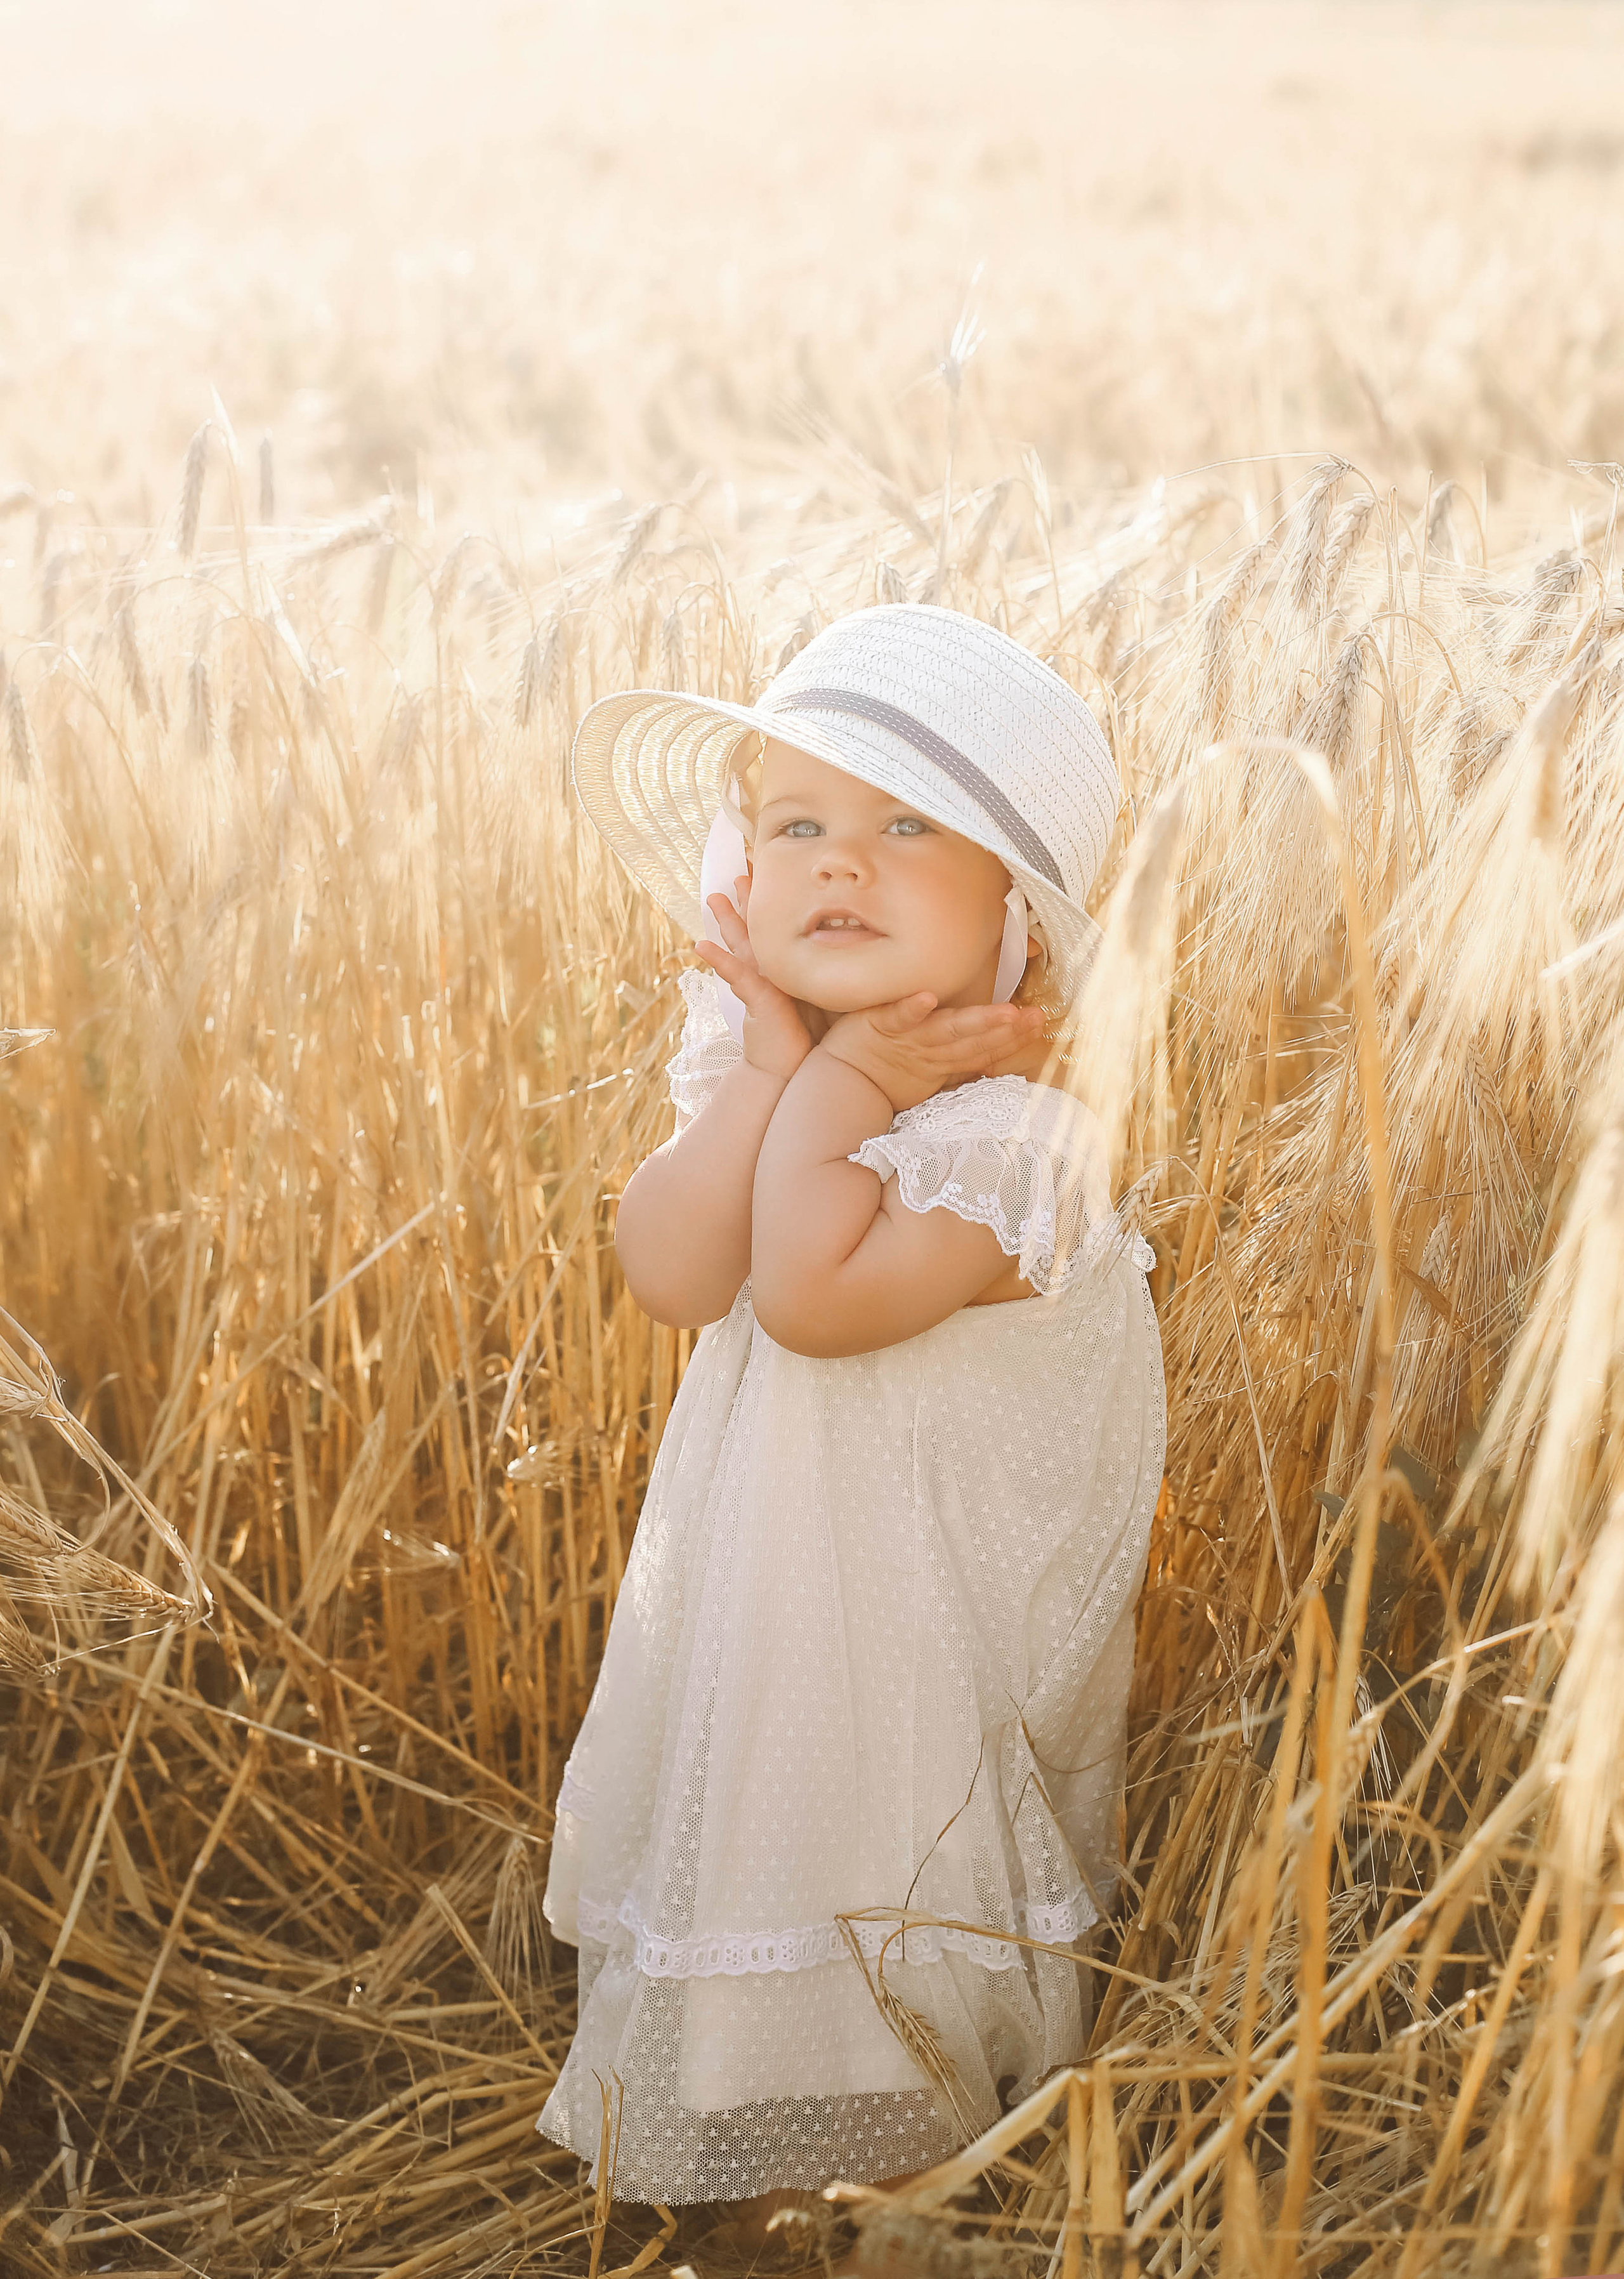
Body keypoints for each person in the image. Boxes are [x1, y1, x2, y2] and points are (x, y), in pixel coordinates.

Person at [536, 603, 1166, 2240]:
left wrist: (845, 1090)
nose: (841, 863)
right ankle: (751, 2157)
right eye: (797, 824)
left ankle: (889, 2181)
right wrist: (771, 1072)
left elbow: (814, 1297)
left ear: (1016, 918)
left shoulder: (1018, 1144)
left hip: (917, 1645)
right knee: (764, 1850)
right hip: (782, 1609)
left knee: (881, 1881)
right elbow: (676, 1273)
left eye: (907, 829)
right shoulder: (774, 1076)